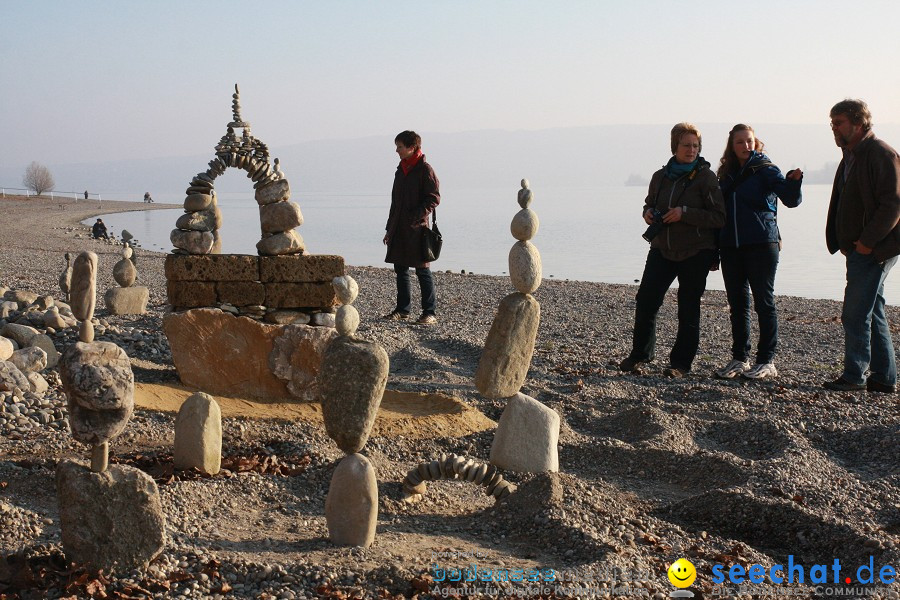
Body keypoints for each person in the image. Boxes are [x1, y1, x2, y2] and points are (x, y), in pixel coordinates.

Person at [619, 123, 725, 377]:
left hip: (696, 251)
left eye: (695, 146)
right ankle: (640, 355)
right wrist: (647, 213)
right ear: (674, 146)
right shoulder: (660, 176)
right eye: (686, 145)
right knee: (646, 301)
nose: (691, 150)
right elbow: (649, 203)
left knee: (688, 307)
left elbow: (719, 216)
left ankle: (680, 364)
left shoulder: (706, 178)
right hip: (662, 249)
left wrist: (684, 213)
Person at [714, 125, 803, 380]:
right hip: (731, 246)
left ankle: (766, 361)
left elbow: (791, 199)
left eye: (749, 141)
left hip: (762, 244)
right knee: (737, 304)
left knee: (764, 302)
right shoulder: (726, 175)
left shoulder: (766, 169)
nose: (746, 146)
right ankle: (740, 358)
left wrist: (794, 183)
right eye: (740, 142)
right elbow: (719, 214)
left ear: (756, 142)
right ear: (732, 146)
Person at [823, 99, 900, 393]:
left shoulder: (880, 153)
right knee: (874, 310)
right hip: (859, 249)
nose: (834, 128)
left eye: (839, 122)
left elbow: (893, 205)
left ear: (859, 123)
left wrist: (867, 244)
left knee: (854, 313)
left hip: (874, 250)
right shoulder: (851, 155)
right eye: (832, 123)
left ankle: (855, 375)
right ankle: (883, 378)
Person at [383, 130, 440, 325]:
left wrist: (416, 216)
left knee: (422, 270)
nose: (397, 150)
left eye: (399, 146)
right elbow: (394, 202)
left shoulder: (425, 169)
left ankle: (429, 312)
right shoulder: (401, 169)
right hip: (399, 227)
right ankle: (403, 310)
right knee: (400, 268)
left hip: (418, 229)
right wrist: (389, 228)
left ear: (411, 147)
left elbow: (434, 198)